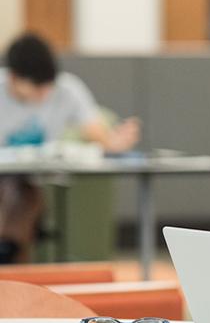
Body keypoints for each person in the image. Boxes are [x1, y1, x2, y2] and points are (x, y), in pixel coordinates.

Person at [0, 33, 140, 263]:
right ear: (14, 78)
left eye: (48, 87)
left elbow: (98, 136)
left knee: (22, 194)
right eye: (36, 87)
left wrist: (116, 142)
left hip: (34, 183)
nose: (44, 94)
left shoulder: (67, 90)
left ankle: (8, 252)